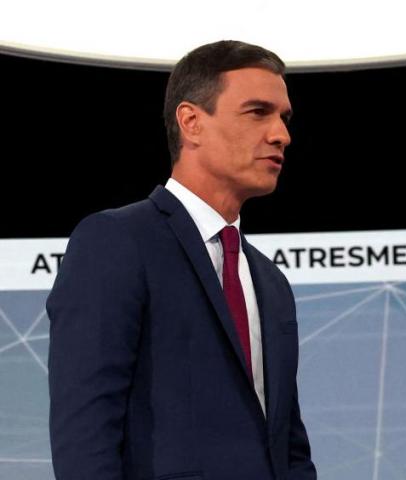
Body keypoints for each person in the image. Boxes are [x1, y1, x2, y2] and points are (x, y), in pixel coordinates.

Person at [47, 40, 316, 480]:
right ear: (191, 122)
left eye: (284, 118)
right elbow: (85, 434)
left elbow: (289, 446)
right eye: (258, 112)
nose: (281, 135)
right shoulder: (117, 241)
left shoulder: (271, 281)